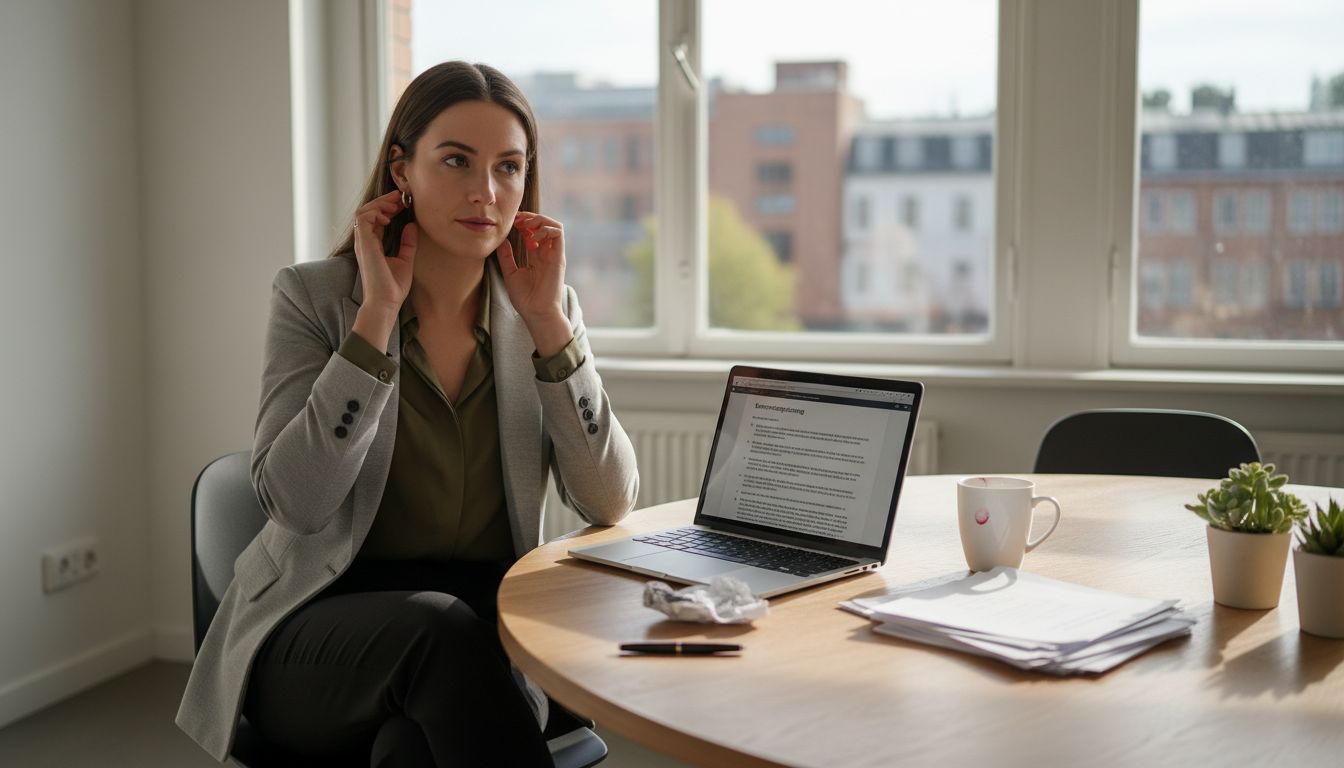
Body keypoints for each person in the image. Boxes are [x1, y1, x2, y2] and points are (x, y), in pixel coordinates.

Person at [176, 61, 640, 766]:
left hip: (479, 639)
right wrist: (377, 318)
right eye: (456, 160)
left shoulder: (546, 312)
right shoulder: (314, 298)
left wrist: (549, 323)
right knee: (438, 636)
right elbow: (296, 504)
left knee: (411, 747)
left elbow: (608, 500)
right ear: (403, 169)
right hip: (317, 636)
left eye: (508, 167)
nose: (486, 191)